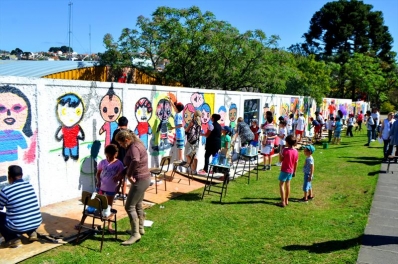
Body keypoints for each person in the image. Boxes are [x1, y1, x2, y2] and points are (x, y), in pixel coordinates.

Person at [115, 130, 151, 245]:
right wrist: (123, 172)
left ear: (126, 140)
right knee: (138, 205)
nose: (120, 145)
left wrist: (129, 174)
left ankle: (135, 234)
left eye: (120, 143)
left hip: (140, 180)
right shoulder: (137, 144)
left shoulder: (134, 147)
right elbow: (132, 162)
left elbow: (135, 160)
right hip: (145, 179)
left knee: (129, 206)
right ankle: (140, 228)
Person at [0, 165, 42, 248]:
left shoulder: (5, 191)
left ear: (9, 177)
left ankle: (12, 239)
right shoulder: (29, 186)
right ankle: (32, 233)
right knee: (26, 211)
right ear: (21, 175)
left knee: (1, 216)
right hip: (36, 222)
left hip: (18, 226)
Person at [96, 144, 125, 233]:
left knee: (109, 207)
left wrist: (119, 186)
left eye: (110, 157)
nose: (108, 159)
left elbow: (121, 177)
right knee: (99, 205)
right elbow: (98, 173)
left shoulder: (119, 164)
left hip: (111, 189)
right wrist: (98, 181)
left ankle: (109, 225)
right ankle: (100, 221)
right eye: (107, 156)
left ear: (115, 154)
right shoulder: (103, 162)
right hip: (101, 188)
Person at [111, 116, 133, 200]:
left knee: (117, 177)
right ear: (127, 124)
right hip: (128, 159)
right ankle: (123, 194)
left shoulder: (117, 132)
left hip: (119, 158)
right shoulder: (130, 132)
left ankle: (116, 194)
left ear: (119, 124)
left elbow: (113, 145)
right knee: (125, 178)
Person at [277, 135, 298, 207]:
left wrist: (280, 154)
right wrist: (295, 171)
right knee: (288, 185)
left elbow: (280, 160)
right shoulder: (295, 151)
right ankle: (286, 200)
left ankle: (282, 202)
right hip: (291, 170)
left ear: (287, 142)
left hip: (284, 170)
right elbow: (296, 162)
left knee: (281, 185)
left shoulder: (285, 150)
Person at [184, 110, 202, 174]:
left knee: (187, 155)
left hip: (190, 141)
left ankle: (192, 168)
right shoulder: (200, 122)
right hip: (196, 141)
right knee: (195, 156)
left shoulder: (192, 122)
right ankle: (194, 171)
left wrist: (188, 126)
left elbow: (186, 131)